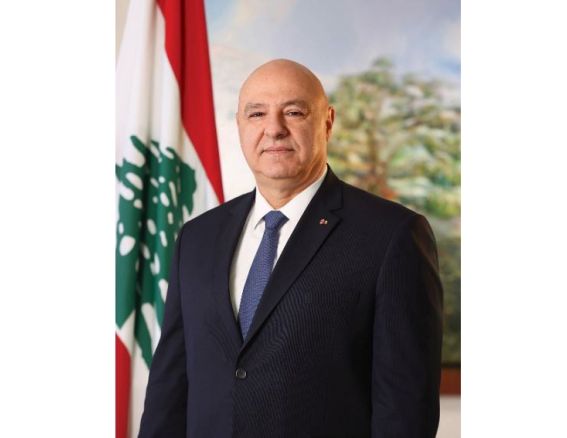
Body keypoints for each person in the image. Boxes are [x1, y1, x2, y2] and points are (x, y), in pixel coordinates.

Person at [138, 59, 443, 437]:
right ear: (239, 125)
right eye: (257, 114)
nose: (274, 129)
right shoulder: (197, 238)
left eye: (294, 112)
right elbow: (170, 387)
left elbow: (405, 410)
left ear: (328, 122)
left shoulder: (392, 235)